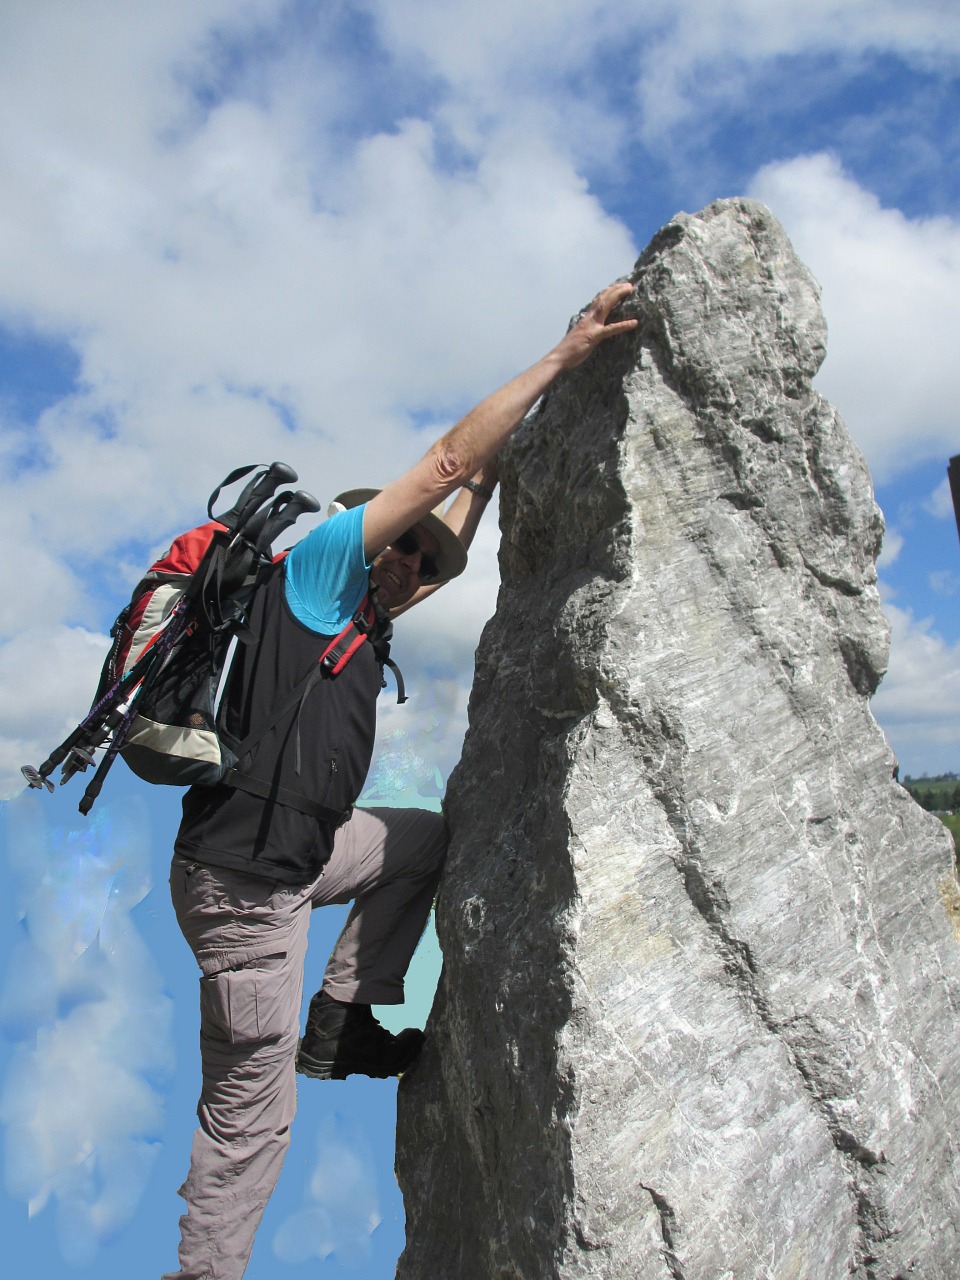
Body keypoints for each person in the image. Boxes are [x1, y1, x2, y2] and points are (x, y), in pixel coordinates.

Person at [162, 281, 638, 1279]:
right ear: (365, 529)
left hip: (287, 862)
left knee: (415, 839)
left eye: (425, 556)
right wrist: (561, 358)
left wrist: (498, 475)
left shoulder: (364, 619)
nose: (415, 560)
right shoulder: (324, 567)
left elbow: (460, 507)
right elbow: (446, 467)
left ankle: (343, 1018)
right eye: (405, 540)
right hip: (246, 891)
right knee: (252, 1114)